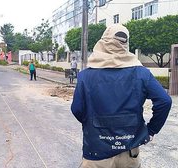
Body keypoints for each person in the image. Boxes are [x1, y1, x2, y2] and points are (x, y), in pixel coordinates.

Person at [71, 24, 172, 168]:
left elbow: (77, 109)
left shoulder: (85, 76)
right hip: (130, 152)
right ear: (126, 44)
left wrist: (94, 125)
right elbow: (165, 101)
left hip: (96, 153)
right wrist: (150, 131)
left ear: (104, 42)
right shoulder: (141, 73)